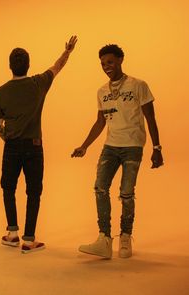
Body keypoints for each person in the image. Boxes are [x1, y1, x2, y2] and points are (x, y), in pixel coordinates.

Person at [72, 44, 163, 259]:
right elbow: (100, 122)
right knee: (100, 188)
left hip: (132, 146)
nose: (106, 67)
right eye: (103, 64)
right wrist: (84, 145)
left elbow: (151, 117)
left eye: (110, 62)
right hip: (110, 147)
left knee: (126, 192)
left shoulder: (138, 85)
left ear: (121, 60)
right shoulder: (102, 91)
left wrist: (157, 148)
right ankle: (104, 239)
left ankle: (125, 236)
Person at [0, 36, 77, 254]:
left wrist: (7, 136)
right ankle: (29, 240)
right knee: (34, 191)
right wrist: (68, 51)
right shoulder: (38, 83)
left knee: (8, 188)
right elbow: (57, 67)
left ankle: (12, 234)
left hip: (11, 147)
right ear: (28, 65)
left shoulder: (1, 91)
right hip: (34, 146)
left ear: (10, 66)